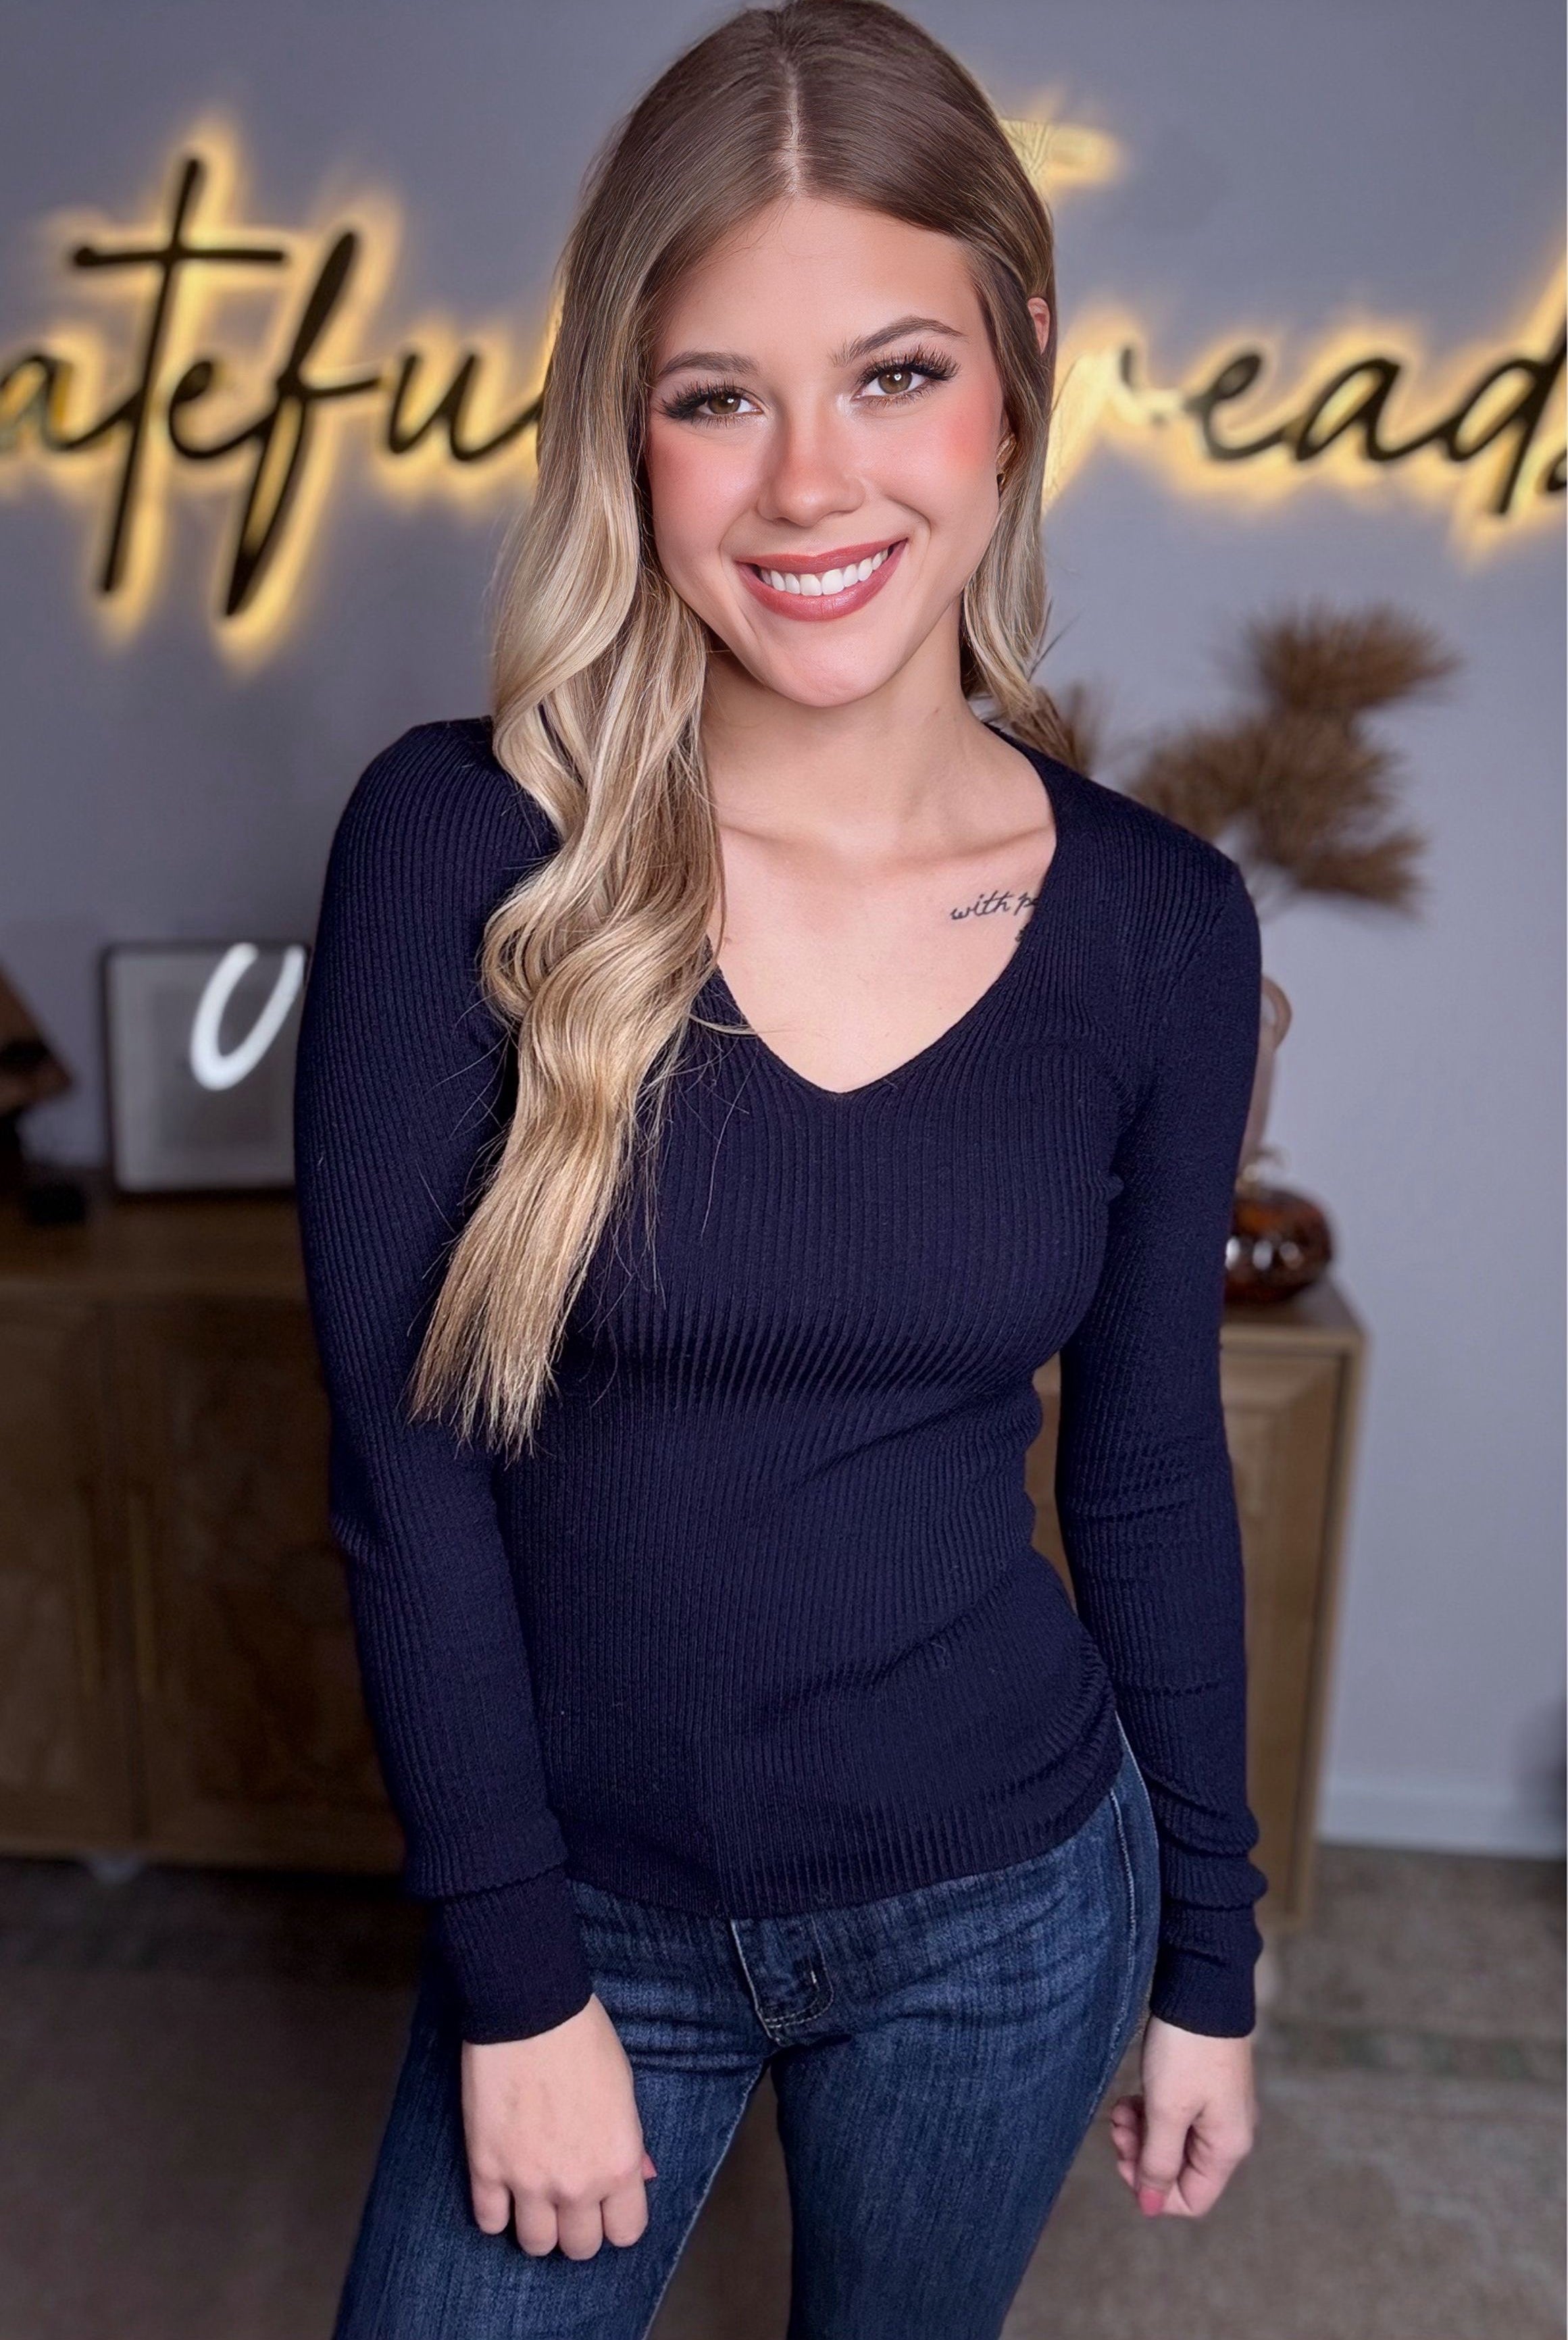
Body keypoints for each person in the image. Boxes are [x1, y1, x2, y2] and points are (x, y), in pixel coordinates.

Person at [294, 4, 1267, 2333]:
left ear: (1019, 370)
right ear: (622, 431)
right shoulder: (461, 847)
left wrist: (1207, 1960)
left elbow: (1145, 1466)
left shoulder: (1157, 924)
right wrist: (517, 1980)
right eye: (716, 396)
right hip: (583, 1912)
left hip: (1003, 1903)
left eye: (893, 374)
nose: (810, 486)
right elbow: (403, 1470)